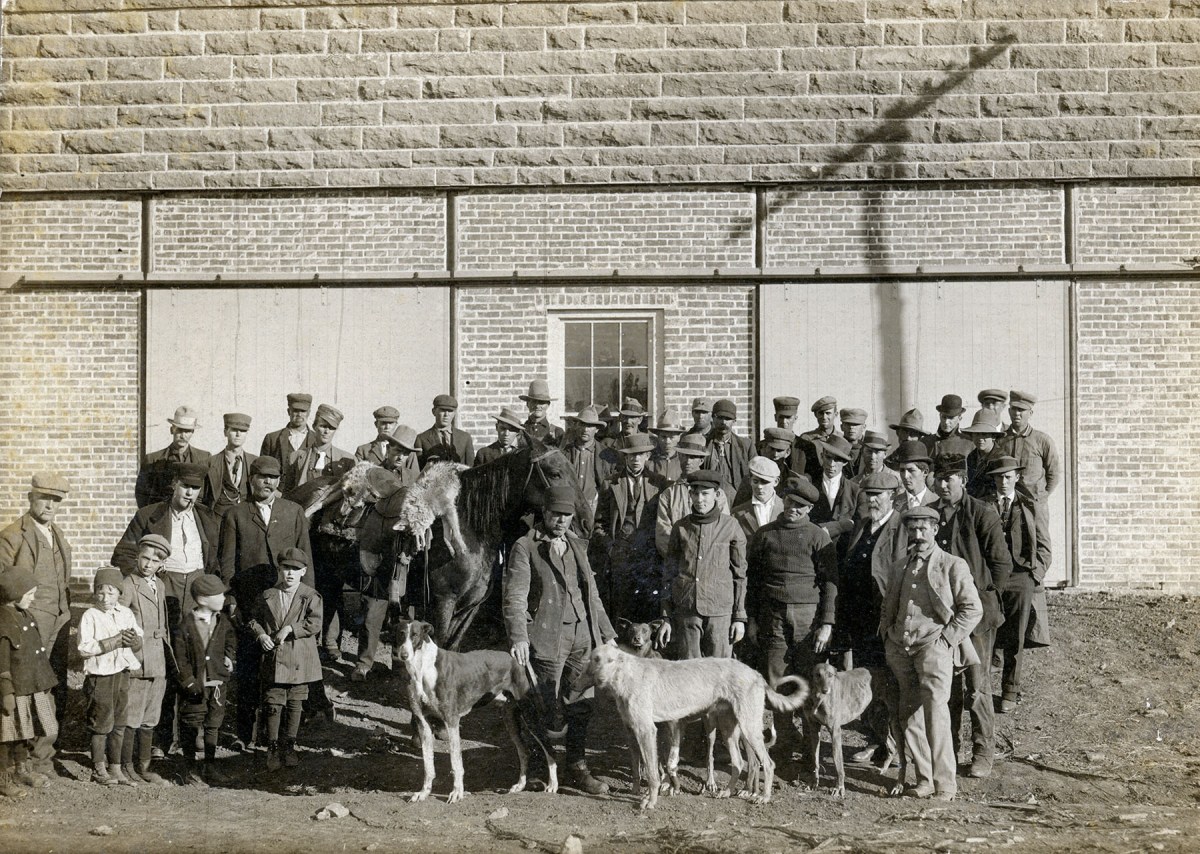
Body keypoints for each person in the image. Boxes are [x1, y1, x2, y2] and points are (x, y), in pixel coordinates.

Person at [504, 485, 616, 795]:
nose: (562, 521)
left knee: (580, 703)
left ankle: (577, 768)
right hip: (547, 639)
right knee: (545, 705)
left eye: (567, 516)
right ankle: (541, 768)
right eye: (556, 515)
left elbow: (590, 593)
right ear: (545, 513)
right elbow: (514, 595)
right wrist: (520, 636)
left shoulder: (577, 545)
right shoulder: (525, 547)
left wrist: (606, 635)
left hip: (583, 636)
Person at [113, 462, 220, 755]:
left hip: (196, 589)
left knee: (196, 658)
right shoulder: (150, 515)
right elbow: (123, 553)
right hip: (163, 589)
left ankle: (191, 733)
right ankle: (159, 737)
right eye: (185, 486)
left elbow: (218, 561)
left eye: (195, 488)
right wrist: (144, 580)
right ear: (173, 484)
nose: (189, 493)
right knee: (165, 658)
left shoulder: (208, 519)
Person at [880, 507, 981, 802]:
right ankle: (923, 780)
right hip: (901, 649)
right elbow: (889, 606)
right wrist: (888, 635)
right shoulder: (900, 566)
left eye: (924, 529)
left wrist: (947, 640)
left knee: (936, 714)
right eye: (912, 529)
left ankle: (945, 785)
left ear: (935, 530)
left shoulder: (952, 565)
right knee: (908, 716)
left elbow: (972, 608)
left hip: (933, 649)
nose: (918, 535)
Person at [218, 455, 314, 750]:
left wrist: (308, 600)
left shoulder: (293, 511)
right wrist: (230, 596)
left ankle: (281, 736)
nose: (267, 482)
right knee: (249, 667)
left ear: (279, 482)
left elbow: (306, 556)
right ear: (252, 479)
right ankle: (245, 733)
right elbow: (227, 563)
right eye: (262, 477)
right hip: (252, 602)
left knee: (286, 667)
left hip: (287, 602)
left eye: (273, 478)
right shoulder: (236, 514)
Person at [931, 453, 1012, 780]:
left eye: (948, 479)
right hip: (940, 618)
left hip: (976, 617)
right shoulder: (932, 516)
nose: (942, 484)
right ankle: (948, 749)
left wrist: (981, 598)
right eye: (937, 478)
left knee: (977, 686)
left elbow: (1002, 565)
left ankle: (983, 751)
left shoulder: (981, 513)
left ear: (962, 481)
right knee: (945, 685)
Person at [835, 472, 908, 764]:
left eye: (879, 494)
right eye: (869, 494)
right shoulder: (862, 526)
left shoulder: (900, 527)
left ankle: (900, 746)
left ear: (892, 496)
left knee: (891, 685)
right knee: (869, 683)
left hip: (886, 620)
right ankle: (879, 742)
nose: (873, 499)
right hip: (860, 620)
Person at [0, 474, 73, 738]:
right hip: (28, 622)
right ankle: (23, 752)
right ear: (31, 498)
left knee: (52, 681)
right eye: (44, 498)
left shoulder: (58, 533)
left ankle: (47, 747)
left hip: (60, 618)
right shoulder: (12, 536)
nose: (50, 506)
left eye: (56, 500)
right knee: (26, 684)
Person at [746, 476, 836, 687]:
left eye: (800, 505)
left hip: (807, 618)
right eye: (789, 501)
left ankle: (808, 722)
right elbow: (753, 582)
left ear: (810, 508)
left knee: (810, 679)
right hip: (773, 616)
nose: (792, 508)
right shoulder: (765, 535)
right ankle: (782, 720)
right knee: (777, 679)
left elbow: (830, 585)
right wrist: (752, 619)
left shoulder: (819, 537)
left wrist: (826, 625)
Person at [659, 470, 748, 660]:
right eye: (695, 493)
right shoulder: (680, 527)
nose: (700, 499)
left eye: (705, 493)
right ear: (689, 495)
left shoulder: (731, 526)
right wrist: (666, 615)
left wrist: (739, 617)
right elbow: (669, 573)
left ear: (716, 495)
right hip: (687, 610)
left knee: (720, 672)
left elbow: (740, 575)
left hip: (720, 613)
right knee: (689, 672)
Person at [987, 456, 1051, 714]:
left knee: (1016, 636)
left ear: (1016, 478)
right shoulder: (984, 506)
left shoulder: (1028, 506)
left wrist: (1035, 573)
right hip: (991, 578)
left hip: (1020, 577)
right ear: (993, 479)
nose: (1003, 482)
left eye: (1008, 476)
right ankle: (979, 688)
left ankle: (1009, 690)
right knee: (986, 632)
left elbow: (1044, 545)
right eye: (999, 477)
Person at [248, 548, 322, 772]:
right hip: (275, 657)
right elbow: (253, 619)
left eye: (295, 569)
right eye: (286, 568)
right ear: (279, 569)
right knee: (273, 702)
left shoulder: (310, 596)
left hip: (300, 656)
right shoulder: (268, 595)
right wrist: (261, 635)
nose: (290, 574)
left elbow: (315, 623)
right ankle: (272, 747)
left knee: (296, 703)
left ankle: (289, 746)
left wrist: (291, 628)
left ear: (304, 571)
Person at [77, 566, 143, 787]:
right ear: (95, 592)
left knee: (119, 721)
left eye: (111, 592)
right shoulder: (90, 615)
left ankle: (115, 767)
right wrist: (112, 642)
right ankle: (98, 767)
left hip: (122, 673)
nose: (105, 597)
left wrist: (135, 641)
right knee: (101, 722)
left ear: (119, 594)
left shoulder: (126, 613)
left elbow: (137, 636)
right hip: (101, 675)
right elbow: (84, 648)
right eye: (100, 592)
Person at [116, 534, 173, 786]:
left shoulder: (159, 585)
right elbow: (118, 620)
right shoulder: (128, 584)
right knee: (132, 716)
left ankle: (144, 766)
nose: (148, 564)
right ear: (137, 557)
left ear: (162, 564)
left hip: (158, 658)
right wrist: (131, 647)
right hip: (138, 659)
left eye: (154, 560)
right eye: (145, 558)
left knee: (151, 716)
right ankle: (126, 766)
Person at [595, 433, 670, 622]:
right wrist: (610, 547)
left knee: (647, 605)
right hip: (620, 554)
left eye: (640, 454)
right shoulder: (610, 483)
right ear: (625, 457)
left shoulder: (659, 483)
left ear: (647, 456)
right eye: (631, 455)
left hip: (649, 555)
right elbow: (599, 523)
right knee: (621, 606)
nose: (636, 459)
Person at [353, 465, 417, 681]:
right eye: (395, 449)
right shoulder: (380, 487)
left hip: (408, 566)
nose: (399, 455)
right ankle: (364, 663)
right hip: (381, 561)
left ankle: (400, 663)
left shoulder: (414, 481)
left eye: (404, 451)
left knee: (405, 616)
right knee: (372, 613)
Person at [0, 570, 59, 796]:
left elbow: (37, 654)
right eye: (30, 594)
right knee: (6, 736)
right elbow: (2, 662)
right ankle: (3, 778)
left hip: (29, 686)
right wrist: (5, 691)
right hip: (13, 690)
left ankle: (21, 769)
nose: (33, 598)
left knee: (25, 731)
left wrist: (43, 681)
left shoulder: (26, 615)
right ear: (14, 594)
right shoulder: (4, 621)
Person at [174, 573, 236, 786]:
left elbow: (230, 640)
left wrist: (229, 656)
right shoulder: (186, 626)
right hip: (195, 687)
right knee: (192, 723)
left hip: (217, 685)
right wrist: (188, 681)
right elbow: (180, 657)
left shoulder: (223, 621)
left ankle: (210, 765)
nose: (223, 599)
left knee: (213, 724)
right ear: (202, 600)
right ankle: (189, 768)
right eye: (218, 596)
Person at [309, 458, 363, 664]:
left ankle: (331, 641)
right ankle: (317, 639)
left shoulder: (357, 498)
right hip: (322, 549)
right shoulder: (323, 495)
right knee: (324, 593)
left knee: (333, 595)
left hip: (344, 553)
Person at [655, 434, 729, 559]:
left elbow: (724, 529)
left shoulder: (717, 494)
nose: (688, 461)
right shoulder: (669, 494)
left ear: (701, 460)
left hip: (709, 560)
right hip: (679, 563)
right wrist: (683, 557)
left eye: (693, 457)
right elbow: (663, 533)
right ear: (679, 457)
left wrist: (704, 557)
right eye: (684, 456)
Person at [135, 406, 211, 508]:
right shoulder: (153, 459)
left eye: (187, 431)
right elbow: (141, 494)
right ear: (172, 430)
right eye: (179, 430)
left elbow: (208, 493)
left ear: (193, 432)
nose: (183, 436)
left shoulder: (204, 458)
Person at [995, 391, 1060, 503]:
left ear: (1030, 413)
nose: (1017, 413)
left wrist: (1041, 498)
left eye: (1021, 410)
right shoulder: (1000, 440)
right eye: (1014, 409)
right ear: (1009, 411)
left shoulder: (1042, 440)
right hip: (1008, 504)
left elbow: (1053, 474)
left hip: (1034, 504)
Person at [283, 403, 352, 497]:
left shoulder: (346, 460)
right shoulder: (296, 457)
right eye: (323, 426)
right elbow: (287, 492)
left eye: (332, 428)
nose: (327, 432)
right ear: (314, 426)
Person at [561, 405, 614, 520]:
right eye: (582, 425)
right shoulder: (564, 453)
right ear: (576, 426)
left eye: (590, 426)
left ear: (597, 429)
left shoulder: (607, 455)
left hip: (595, 506)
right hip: (569, 505)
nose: (585, 430)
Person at [203, 413, 258, 518]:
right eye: (234, 430)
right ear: (225, 432)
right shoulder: (210, 462)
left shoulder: (255, 461)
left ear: (246, 434)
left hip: (247, 518)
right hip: (219, 519)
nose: (238, 434)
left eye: (243, 431)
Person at [809, 436, 861, 542]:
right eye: (828, 457)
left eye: (837, 459)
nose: (832, 464)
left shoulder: (855, 490)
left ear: (845, 462)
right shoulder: (810, 487)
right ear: (821, 456)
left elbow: (859, 527)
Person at [260, 393, 318, 470]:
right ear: (288, 411)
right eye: (295, 411)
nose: (299, 414)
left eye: (303, 411)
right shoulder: (272, 439)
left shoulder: (317, 439)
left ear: (309, 413)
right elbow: (263, 469)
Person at [704, 398, 754, 488]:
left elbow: (754, 475)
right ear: (713, 418)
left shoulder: (746, 446)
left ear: (734, 421)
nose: (723, 422)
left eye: (728, 419)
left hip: (737, 497)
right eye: (720, 418)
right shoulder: (703, 443)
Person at [415, 395, 475, 469]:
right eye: (442, 410)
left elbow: (471, 467)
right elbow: (418, 470)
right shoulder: (421, 439)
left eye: (450, 411)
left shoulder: (465, 437)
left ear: (454, 413)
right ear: (434, 411)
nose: (446, 415)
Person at [962, 410, 1005, 498]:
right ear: (972, 436)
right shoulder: (972, 456)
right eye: (977, 434)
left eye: (984, 434)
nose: (980, 439)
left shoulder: (1002, 459)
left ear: (993, 436)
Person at [922, 395, 974, 460]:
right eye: (944, 417)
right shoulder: (926, 442)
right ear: (939, 416)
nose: (946, 422)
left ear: (959, 418)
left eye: (951, 418)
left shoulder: (969, 444)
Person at [889, 441, 937, 511]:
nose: (905, 476)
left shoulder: (937, 502)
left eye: (911, 470)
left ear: (925, 472)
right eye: (902, 470)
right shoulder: (893, 503)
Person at [519, 380, 565, 446]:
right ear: (527, 404)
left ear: (548, 405)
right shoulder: (519, 431)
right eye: (534, 402)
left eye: (541, 402)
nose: (537, 406)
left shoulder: (557, 432)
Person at [647, 410, 685, 483]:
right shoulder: (650, 460)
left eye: (671, 437)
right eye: (663, 437)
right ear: (658, 437)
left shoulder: (684, 460)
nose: (667, 441)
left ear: (678, 438)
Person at [839, 408, 869, 476]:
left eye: (856, 424)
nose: (851, 427)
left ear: (864, 427)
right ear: (841, 427)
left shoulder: (871, 448)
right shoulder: (835, 447)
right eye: (848, 424)